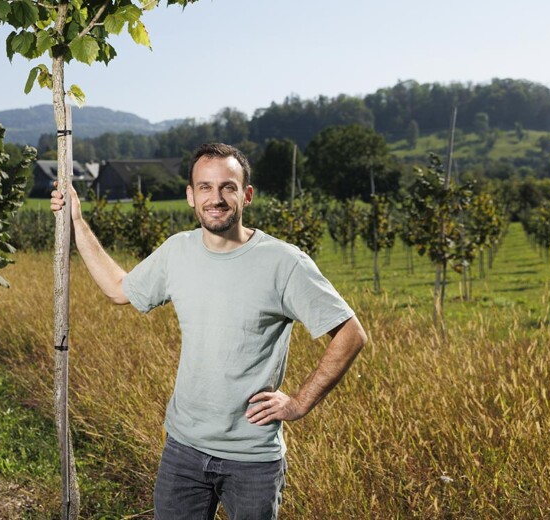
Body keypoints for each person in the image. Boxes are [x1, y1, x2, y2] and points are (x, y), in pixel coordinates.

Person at [50, 143, 367, 519]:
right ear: (190, 195)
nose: (215, 198)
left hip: (252, 459)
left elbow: (351, 334)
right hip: (183, 449)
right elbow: (118, 289)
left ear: (246, 195)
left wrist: (299, 402)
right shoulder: (177, 251)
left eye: (228, 187)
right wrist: (77, 222)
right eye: (205, 187)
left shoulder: (284, 262)